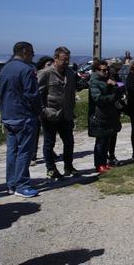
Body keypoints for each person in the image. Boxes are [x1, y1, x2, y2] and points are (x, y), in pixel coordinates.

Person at [0, 41, 41, 198]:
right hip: (23, 115)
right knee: (24, 151)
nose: (32, 55)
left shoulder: (6, 68)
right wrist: (38, 111)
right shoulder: (26, 69)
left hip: (8, 114)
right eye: (31, 52)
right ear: (25, 52)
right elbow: (32, 94)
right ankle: (22, 184)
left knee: (12, 151)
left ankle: (11, 184)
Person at [37, 46, 80, 180]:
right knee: (49, 143)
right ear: (56, 59)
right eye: (63, 59)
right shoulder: (46, 73)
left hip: (66, 114)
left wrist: (72, 110)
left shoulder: (70, 73)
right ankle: (51, 168)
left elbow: (71, 93)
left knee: (69, 141)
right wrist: (43, 111)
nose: (66, 62)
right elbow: (37, 94)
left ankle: (68, 166)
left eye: (68, 59)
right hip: (50, 114)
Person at [88, 59, 123, 173]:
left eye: (107, 69)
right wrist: (112, 95)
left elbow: (121, 87)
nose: (106, 72)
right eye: (103, 70)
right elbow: (98, 99)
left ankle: (104, 162)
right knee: (101, 141)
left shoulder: (108, 79)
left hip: (109, 114)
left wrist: (115, 86)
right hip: (99, 115)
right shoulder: (94, 82)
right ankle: (99, 164)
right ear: (96, 70)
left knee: (107, 140)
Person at [31, 56, 54, 166]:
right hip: (39, 107)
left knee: (49, 134)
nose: (51, 67)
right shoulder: (40, 75)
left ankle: (50, 152)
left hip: (48, 108)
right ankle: (33, 155)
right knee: (36, 132)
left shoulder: (52, 75)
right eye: (48, 65)